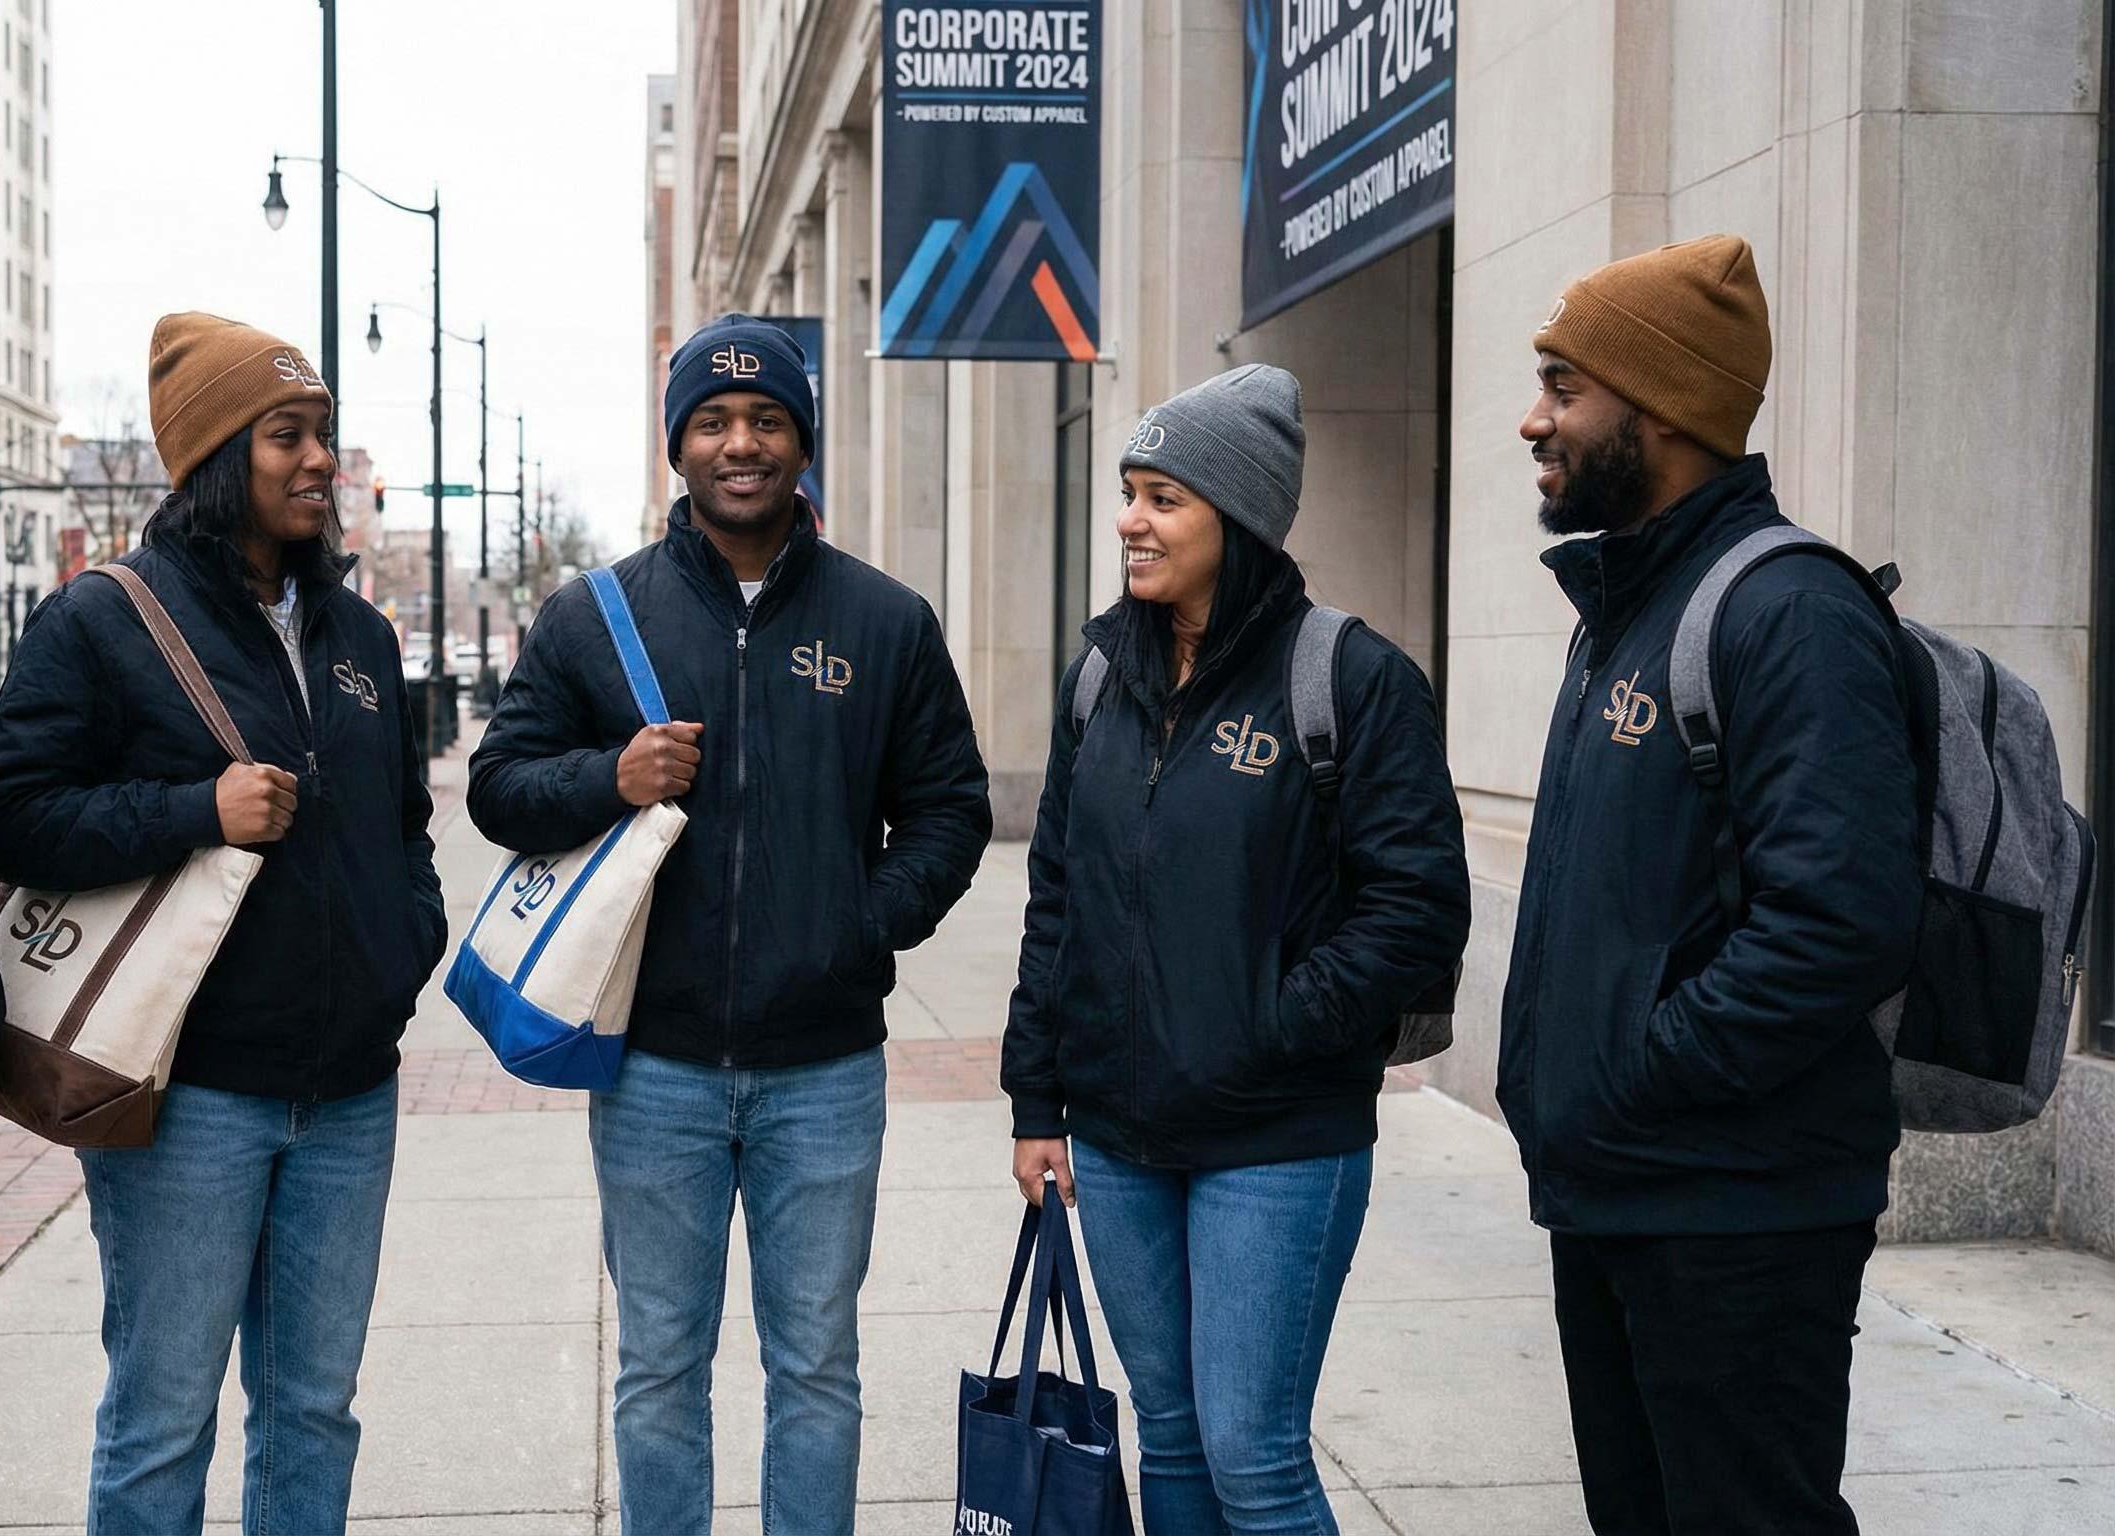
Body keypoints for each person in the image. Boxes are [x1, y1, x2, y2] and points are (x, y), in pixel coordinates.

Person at [468, 313, 991, 1535]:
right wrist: (609, 777)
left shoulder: (884, 621)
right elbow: (498, 788)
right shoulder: (594, 615)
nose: (739, 443)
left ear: (802, 443)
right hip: (655, 1065)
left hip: (826, 1070)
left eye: (764, 420)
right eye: (711, 421)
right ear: (677, 445)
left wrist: (863, 927)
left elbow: (950, 809)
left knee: (815, 1366)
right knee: (659, 1369)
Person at [0, 313, 442, 1536]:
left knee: (314, 1411)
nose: (318, 460)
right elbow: (8, 816)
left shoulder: (361, 635)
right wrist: (195, 811)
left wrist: (404, 949)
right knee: (162, 1416)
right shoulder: (101, 619)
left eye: (323, 433)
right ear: (215, 457)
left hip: (350, 1091)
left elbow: (403, 824)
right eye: (286, 435)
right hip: (190, 1099)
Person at [1500, 235, 1923, 1535]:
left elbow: (1838, 925)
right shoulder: (1625, 611)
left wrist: (1643, 1068)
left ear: (1664, 405)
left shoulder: (1789, 612)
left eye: (1563, 387)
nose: (1532, 421)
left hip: (1735, 1211)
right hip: (1624, 1189)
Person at [1001, 365, 1470, 1535]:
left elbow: (1417, 905)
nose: (1130, 521)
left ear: (1240, 516)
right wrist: (1036, 1097)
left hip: (1276, 1135)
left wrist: (1274, 1025)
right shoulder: (1099, 678)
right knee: (1168, 1434)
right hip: (1117, 1136)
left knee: (1252, 1458)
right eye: (1128, 493)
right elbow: (1057, 893)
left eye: (1163, 498)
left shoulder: (1348, 679)